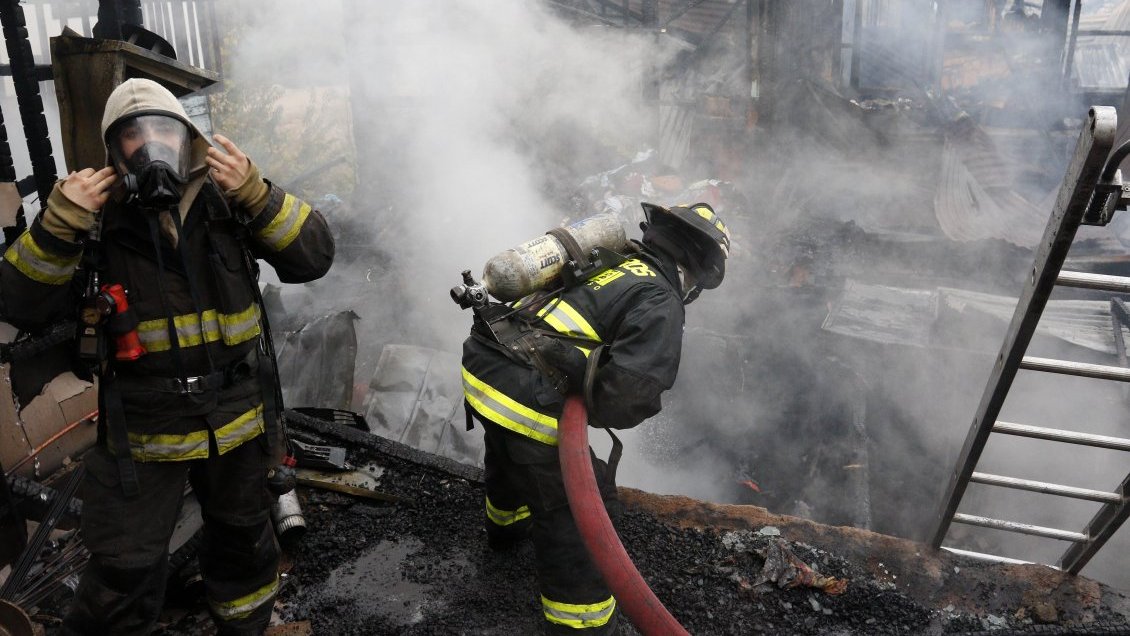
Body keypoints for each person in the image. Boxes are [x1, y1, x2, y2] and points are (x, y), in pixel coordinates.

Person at [0, 78, 334, 635]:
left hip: (237, 419)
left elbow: (316, 255)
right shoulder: (94, 217)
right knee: (122, 570)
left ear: (186, 137)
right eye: (133, 134)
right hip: (143, 436)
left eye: (162, 128)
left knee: (245, 544)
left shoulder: (228, 200)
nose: (149, 143)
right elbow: (20, 306)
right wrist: (58, 227)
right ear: (114, 150)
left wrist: (260, 194)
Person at [460, 201, 730, 635]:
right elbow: (627, 398)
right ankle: (583, 624)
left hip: (485, 359)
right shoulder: (661, 297)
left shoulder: (617, 260)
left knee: (510, 454)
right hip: (523, 394)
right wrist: (588, 387)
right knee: (576, 514)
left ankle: (505, 532)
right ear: (699, 271)